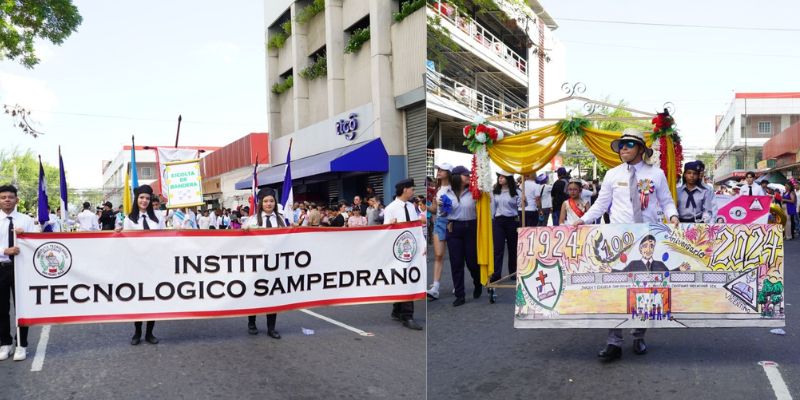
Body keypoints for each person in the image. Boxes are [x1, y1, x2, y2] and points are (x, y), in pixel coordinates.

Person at [573, 128, 679, 361]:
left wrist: (673, 217)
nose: (623, 149)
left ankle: (639, 336)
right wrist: (582, 220)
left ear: (641, 148)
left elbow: (667, 201)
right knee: (615, 289)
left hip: (646, 237)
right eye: (621, 145)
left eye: (629, 144)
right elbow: (601, 205)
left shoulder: (656, 174)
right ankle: (614, 341)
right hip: (617, 239)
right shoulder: (612, 174)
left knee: (644, 290)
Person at [117, 185, 164, 345]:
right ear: (136, 199)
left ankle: (150, 333)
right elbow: (126, 243)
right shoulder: (129, 220)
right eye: (141, 198)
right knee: (138, 299)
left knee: (153, 299)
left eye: (147, 198)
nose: (144, 201)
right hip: (136, 266)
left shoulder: (157, 218)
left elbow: (165, 239)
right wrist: (118, 232)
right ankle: (137, 332)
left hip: (153, 265)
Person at [243, 188, 285, 339]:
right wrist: (245, 231)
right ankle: (252, 322)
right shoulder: (253, 219)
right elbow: (242, 241)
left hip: (274, 263)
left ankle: (271, 328)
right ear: (261, 203)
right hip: (257, 264)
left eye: (271, 201)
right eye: (266, 201)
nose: (269, 204)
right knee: (254, 293)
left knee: (272, 294)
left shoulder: (281, 219)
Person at [0, 185, 36, 361]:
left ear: (17, 200)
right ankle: (5, 343)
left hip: (21, 269)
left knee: (22, 307)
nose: (7, 200)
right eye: (3, 197)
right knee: (1, 308)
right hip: (1, 267)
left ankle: (22, 344)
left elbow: (38, 243)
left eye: (10, 197)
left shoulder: (26, 220)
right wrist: (4, 251)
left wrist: (26, 235)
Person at [383, 178, 423, 330]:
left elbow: (416, 227)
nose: (413, 191)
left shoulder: (411, 207)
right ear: (405, 190)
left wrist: (422, 245)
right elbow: (384, 230)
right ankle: (407, 316)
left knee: (405, 279)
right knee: (407, 280)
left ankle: (397, 310)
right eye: (411, 189)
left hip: (411, 247)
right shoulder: (391, 208)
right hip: (398, 249)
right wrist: (390, 224)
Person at [447, 165, 482, 307]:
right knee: (456, 263)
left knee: (472, 261)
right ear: (456, 177)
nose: (468, 176)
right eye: (465, 174)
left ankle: (477, 281)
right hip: (453, 228)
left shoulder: (474, 192)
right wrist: (442, 209)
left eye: (469, 174)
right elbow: (443, 214)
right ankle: (460, 295)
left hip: (470, 227)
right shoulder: (446, 193)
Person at [488, 171, 521, 303]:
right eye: (499, 177)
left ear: (508, 178)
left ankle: (513, 272)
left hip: (512, 220)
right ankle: (496, 274)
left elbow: (519, 207)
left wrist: (521, 201)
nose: (500, 179)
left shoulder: (517, 192)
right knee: (498, 248)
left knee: (513, 247)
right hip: (498, 221)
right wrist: (492, 220)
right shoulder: (495, 191)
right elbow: (492, 208)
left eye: (502, 177)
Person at [427, 163, 454, 300]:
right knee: (438, 254)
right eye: (438, 169)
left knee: (456, 256)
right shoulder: (437, 189)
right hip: (439, 222)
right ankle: (435, 287)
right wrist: (425, 206)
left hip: (453, 223)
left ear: (448, 173)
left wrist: (450, 205)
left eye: (441, 170)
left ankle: (457, 283)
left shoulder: (454, 188)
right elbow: (434, 209)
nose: (438, 171)